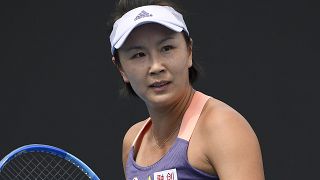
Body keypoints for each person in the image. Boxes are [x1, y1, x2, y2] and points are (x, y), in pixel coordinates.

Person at [108, 0, 265, 179]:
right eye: (139, 55)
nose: (156, 66)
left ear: (189, 51)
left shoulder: (222, 127)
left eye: (166, 48)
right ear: (121, 69)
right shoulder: (133, 142)